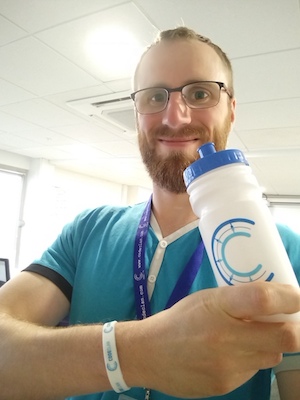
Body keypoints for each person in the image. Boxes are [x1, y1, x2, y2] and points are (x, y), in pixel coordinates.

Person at [0, 26, 299, 400]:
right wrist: (138, 354)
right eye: (155, 96)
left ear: (231, 110)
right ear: (137, 112)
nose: (175, 116)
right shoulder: (88, 230)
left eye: (201, 92)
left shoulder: (284, 251)